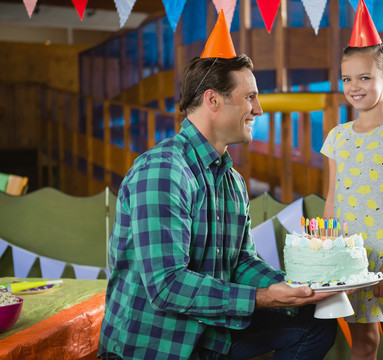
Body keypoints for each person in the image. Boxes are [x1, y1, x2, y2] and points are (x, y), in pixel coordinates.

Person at [97, 50, 345, 359]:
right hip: (155, 347)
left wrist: (299, 289)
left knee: (313, 324)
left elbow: (240, 262)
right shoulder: (163, 170)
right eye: (249, 97)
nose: (259, 109)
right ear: (213, 100)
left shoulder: (232, 181)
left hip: (208, 336)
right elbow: (166, 285)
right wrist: (264, 297)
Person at [321, 3, 383, 360]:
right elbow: (332, 199)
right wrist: (331, 255)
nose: (354, 86)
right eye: (347, 78)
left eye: (365, 77)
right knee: (362, 344)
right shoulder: (336, 137)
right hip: (352, 259)